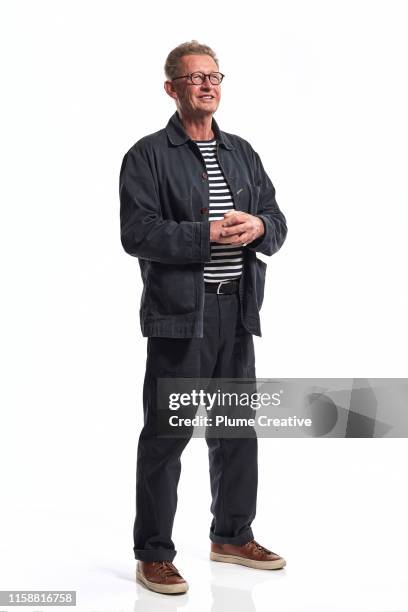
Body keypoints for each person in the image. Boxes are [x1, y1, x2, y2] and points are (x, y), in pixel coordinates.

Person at [119, 40, 288, 595]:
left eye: (215, 76)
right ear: (172, 89)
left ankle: (232, 536)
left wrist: (259, 227)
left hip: (237, 311)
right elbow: (137, 234)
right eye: (196, 78)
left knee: (236, 430)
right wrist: (207, 232)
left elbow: (278, 222)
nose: (208, 85)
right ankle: (153, 555)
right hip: (179, 318)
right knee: (167, 436)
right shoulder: (147, 156)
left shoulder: (242, 152)